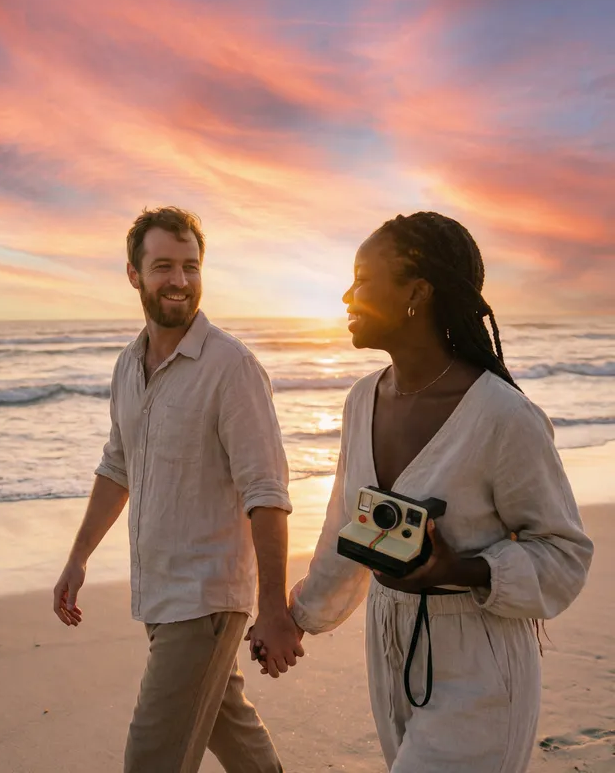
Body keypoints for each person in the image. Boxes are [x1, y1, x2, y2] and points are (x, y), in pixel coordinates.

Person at [248, 211, 594, 772]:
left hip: (477, 663)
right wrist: (293, 617)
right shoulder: (363, 400)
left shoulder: (503, 416)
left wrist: (458, 568)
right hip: (389, 651)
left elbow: (565, 555)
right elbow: (346, 528)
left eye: (362, 278)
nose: (346, 294)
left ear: (417, 291)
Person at [53, 206, 302, 773]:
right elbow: (118, 466)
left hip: (206, 596)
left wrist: (272, 607)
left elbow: (266, 489)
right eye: (163, 266)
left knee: (152, 756)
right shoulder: (128, 365)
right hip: (160, 593)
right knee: (230, 729)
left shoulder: (231, 367)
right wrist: (78, 558)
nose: (180, 281)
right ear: (133, 274)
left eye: (191, 266)